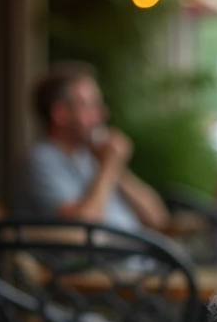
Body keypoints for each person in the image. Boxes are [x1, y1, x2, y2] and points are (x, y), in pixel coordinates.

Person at [17, 61, 168, 232]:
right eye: (90, 106)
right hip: (103, 258)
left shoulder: (90, 157)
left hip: (142, 254)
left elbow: (157, 218)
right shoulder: (42, 160)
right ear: (60, 114)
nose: (102, 114)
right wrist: (109, 165)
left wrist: (115, 165)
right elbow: (83, 228)